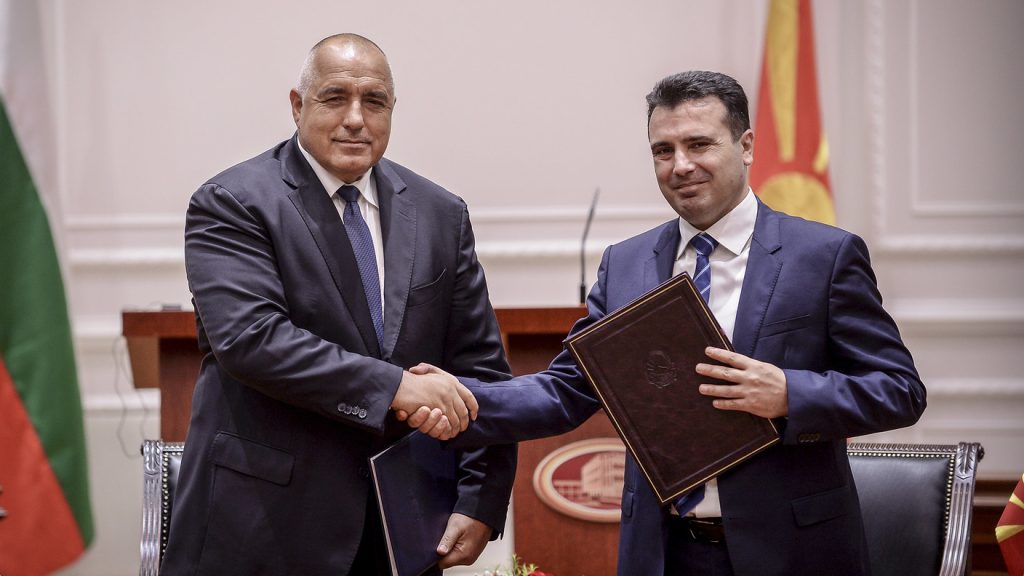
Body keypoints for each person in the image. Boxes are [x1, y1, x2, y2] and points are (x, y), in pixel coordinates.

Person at [403, 70, 927, 575]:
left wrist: (789, 393)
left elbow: (899, 390)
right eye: (663, 150)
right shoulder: (626, 264)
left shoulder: (823, 256)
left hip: (793, 552)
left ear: (746, 145)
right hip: (662, 552)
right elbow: (567, 390)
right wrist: (456, 398)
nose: (681, 166)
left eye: (699, 145)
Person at [160, 34, 515, 576]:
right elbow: (253, 340)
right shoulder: (233, 201)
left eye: (374, 101)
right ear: (297, 105)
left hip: (400, 532)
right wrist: (396, 387)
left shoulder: (441, 213)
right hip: (263, 529)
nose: (355, 119)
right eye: (334, 98)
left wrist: (479, 500)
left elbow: (482, 369)